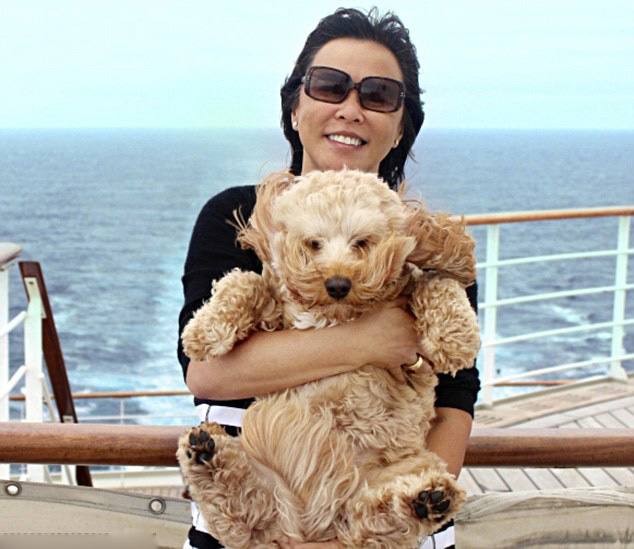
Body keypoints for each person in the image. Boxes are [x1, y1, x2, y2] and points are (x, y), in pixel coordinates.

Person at [178, 8, 480, 549]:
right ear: (295, 108)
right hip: (254, 521)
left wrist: (370, 535)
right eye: (329, 86)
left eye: (379, 95)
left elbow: (454, 401)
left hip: (386, 529)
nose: (351, 109)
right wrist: (373, 340)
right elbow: (209, 374)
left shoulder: (425, 248)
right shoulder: (237, 219)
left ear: (401, 127)